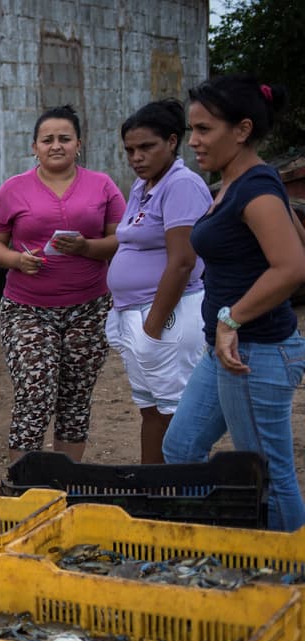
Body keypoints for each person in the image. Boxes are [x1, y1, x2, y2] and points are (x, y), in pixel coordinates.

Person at [163, 76, 305, 531]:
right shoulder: (236, 182)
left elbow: (291, 267)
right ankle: (209, 548)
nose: (194, 142)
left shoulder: (256, 188)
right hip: (225, 352)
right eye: (192, 130)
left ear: (241, 130)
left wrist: (232, 318)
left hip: (254, 353)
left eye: (204, 130)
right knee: (182, 448)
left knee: (267, 475)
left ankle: (289, 580)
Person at [0, 105, 125, 463]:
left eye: (65, 138)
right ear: (34, 147)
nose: (56, 145)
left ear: (79, 143)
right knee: (35, 391)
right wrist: (16, 260)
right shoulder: (13, 190)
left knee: (75, 397)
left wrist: (87, 248)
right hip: (27, 309)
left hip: (89, 309)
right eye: (47, 140)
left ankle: (66, 483)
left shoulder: (102, 185)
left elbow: (121, 239)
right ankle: (22, 485)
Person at [105, 100, 211, 463]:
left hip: (167, 315)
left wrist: (152, 326)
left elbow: (183, 261)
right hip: (136, 314)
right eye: (130, 150)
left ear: (171, 141)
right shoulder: (143, 186)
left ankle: (180, 495)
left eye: (146, 147)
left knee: (175, 412)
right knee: (151, 410)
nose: (136, 157)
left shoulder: (181, 185)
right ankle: (151, 490)